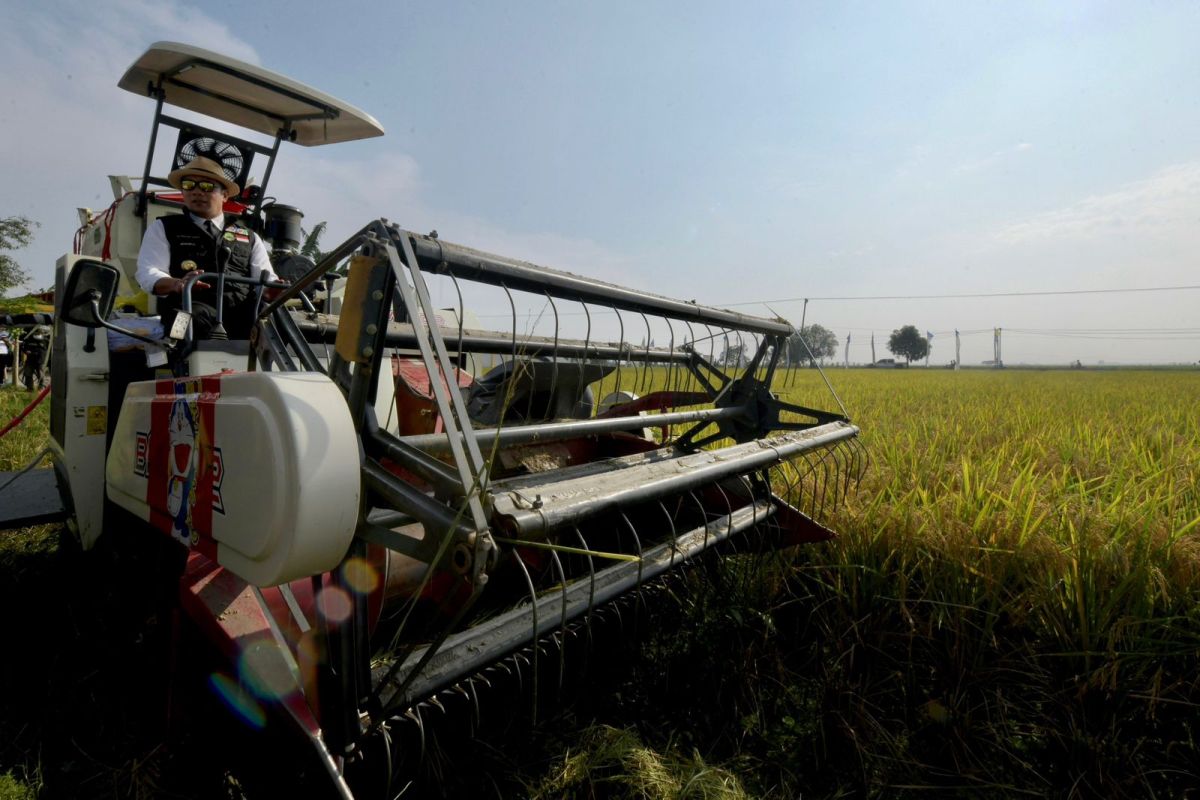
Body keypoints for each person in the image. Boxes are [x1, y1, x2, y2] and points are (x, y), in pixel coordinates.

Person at [135, 156, 280, 340]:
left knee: (280, 323)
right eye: (189, 185)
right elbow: (147, 273)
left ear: (225, 195)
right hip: (186, 310)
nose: (196, 192)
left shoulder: (251, 238)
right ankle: (180, 365)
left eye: (206, 186)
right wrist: (178, 284)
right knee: (183, 326)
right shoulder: (163, 228)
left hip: (242, 314)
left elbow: (266, 280)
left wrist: (273, 290)